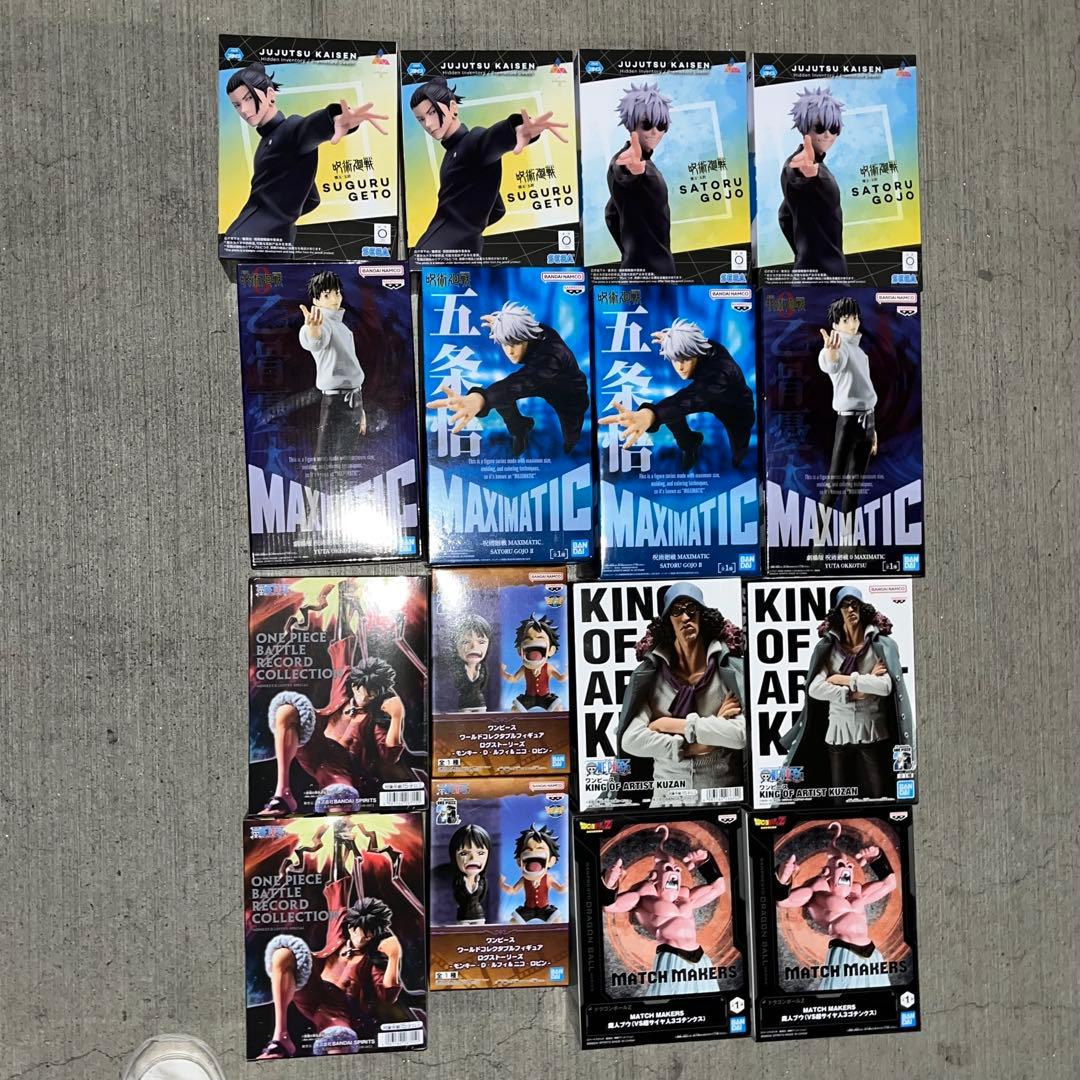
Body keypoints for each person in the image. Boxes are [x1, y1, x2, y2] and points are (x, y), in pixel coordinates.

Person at [224, 61, 389, 246]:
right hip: (263, 241)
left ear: (270, 94)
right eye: (236, 105)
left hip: (250, 242)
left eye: (248, 98)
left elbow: (308, 127)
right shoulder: (266, 141)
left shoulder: (289, 129)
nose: (243, 110)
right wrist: (283, 222)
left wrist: (336, 119)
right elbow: (311, 199)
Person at [616, 583, 746, 806]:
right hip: (667, 801)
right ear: (668, 620)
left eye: (691, 608)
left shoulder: (727, 670)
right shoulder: (652, 676)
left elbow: (740, 735)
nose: (685, 617)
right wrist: (703, 743)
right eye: (676, 611)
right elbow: (631, 740)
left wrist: (668, 724)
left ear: (702, 615)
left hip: (721, 797)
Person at [408, 76, 568, 254]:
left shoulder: (472, 141)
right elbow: (497, 209)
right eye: (421, 119)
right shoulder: (451, 154)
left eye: (432, 112)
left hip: (438, 253)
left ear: (453, 107)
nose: (428, 124)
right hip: (455, 251)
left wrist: (516, 130)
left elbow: (490, 139)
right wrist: (470, 229)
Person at [780, 587, 914, 798]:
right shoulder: (829, 649)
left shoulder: (879, 646)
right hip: (838, 732)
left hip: (871, 730)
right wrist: (853, 693)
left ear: (862, 609)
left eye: (855, 605)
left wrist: (843, 679)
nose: (851, 609)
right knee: (839, 797)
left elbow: (885, 686)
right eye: (845, 606)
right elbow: (815, 688)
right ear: (838, 612)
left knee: (879, 794)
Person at [425, 301, 590, 458]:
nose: (510, 351)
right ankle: (520, 427)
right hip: (539, 378)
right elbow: (520, 328)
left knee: (571, 437)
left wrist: (481, 399)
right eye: (505, 343)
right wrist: (502, 324)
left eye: (515, 343)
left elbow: (519, 383)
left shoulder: (551, 356)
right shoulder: (531, 330)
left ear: (527, 338)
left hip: (569, 394)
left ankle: (571, 445)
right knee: (502, 396)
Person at [598, 318, 755, 470]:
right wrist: (672, 340)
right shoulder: (701, 346)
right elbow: (683, 400)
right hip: (706, 392)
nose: (680, 367)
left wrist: (650, 415)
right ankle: (690, 444)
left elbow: (689, 400)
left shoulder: (720, 372)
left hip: (736, 408)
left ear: (696, 353)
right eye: (675, 359)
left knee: (739, 452)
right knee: (672, 413)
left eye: (685, 359)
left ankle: (738, 463)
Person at [259, 657, 406, 817]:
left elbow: (389, 755)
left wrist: (397, 716)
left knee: (339, 798)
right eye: (359, 692)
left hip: (342, 767)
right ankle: (283, 793)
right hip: (318, 747)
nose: (363, 699)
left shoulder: (376, 718)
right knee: (286, 711)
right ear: (354, 686)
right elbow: (342, 658)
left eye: (370, 696)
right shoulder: (342, 693)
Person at [601, 825, 726, 995]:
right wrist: (609, 883)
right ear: (654, 876)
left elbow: (718, 888)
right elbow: (611, 906)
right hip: (672, 957)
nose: (674, 872)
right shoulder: (645, 897)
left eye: (676, 870)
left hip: (700, 957)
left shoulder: (685, 895)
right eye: (668, 868)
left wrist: (705, 861)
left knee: (708, 1002)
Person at [775, 821, 897, 990]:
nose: (846, 868)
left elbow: (890, 884)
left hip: (871, 952)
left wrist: (877, 858)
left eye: (849, 866)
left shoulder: (857, 891)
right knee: (842, 994)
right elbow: (784, 901)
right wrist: (782, 878)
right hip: (844, 951)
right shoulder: (818, 892)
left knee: (879, 996)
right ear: (828, 871)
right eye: (840, 864)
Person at [815, 296, 877, 538]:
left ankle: (847, 542)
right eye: (846, 319)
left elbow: (866, 393)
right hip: (848, 422)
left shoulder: (860, 352)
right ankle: (818, 542)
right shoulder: (838, 347)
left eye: (855, 318)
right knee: (834, 485)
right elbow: (832, 364)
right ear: (835, 324)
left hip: (867, 421)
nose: (853, 323)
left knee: (854, 488)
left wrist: (873, 429)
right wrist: (830, 353)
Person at [297, 271, 367, 484]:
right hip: (335, 401)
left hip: (354, 398)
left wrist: (361, 409)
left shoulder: (342, 327)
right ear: (316, 300)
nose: (334, 299)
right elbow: (315, 341)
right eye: (327, 295)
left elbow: (352, 372)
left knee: (344, 461)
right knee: (324, 459)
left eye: (337, 293)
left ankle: (335, 500)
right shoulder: (322, 323)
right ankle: (310, 503)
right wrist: (313, 331)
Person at [604, 82, 676, 275]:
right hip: (651, 272)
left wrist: (628, 252)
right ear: (631, 125)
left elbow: (610, 214)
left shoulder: (645, 162)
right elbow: (623, 171)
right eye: (647, 124)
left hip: (643, 269)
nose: (655, 132)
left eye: (661, 125)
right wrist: (634, 170)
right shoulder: (625, 160)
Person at [777, 86, 847, 276]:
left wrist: (802, 253)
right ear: (804, 128)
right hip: (822, 276)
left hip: (817, 272)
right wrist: (809, 174)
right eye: (820, 128)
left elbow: (784, 216)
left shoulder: (818, 164)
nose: (827, 135)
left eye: (834, 129)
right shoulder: (798, 163)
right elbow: (798, 174)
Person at [499, 825, 566, 923]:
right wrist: (501, 883)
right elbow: (512, 890)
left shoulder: (548, 878)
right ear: (519, 861)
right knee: (513, 921)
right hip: (527, 909)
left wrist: (569, 882)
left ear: (551, 861)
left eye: (540, 848)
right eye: (528, 849)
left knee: (557, 919)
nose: (533, 851)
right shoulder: (524, 879)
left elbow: (560, 889)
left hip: (545, 909)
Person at [500, 615, 566, 710]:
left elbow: (560, 678)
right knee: (515, 709)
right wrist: (501, 672)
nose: (534, 640)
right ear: (520, 651)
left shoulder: (548, 667)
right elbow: (513, 679)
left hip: (546, 697)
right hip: (528, 698)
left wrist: (569, 670)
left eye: (540, 637)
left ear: (551, 650)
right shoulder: (524, 668)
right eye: (528, 638)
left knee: (558, 708)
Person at [448, 823, 492, 924]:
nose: (473, 858)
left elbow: (482, 897)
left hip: (479, 915)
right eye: (464, 853)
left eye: (480, 853)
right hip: (463, 915)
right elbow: (457, 897)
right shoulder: (458, 881)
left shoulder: (482, 881)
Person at [448, 614, 492, 711]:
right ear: (455, 645)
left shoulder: (483, 668)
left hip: (480, 703)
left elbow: (483, 686)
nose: (474, 647)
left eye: (481, 642)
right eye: (465, 642)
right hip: (464, 704)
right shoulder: (454, 669)